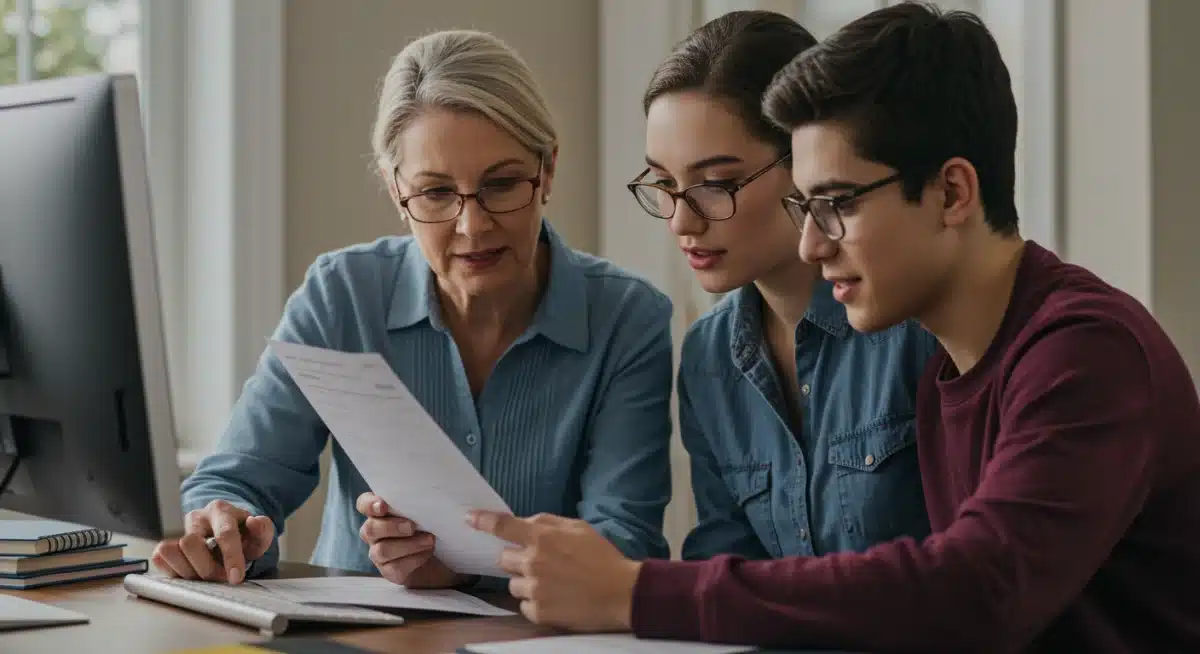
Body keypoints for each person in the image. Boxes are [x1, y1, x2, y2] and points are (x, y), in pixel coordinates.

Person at [467, 3, 1200, 651]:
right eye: (806, 207)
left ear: (951, 191)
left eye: (837, 203)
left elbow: (978, 591)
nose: (813, 245)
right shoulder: (956, 363)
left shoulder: (1087, 352)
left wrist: (636, 591)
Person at [152, 29, 675, 590]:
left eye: (500, 185)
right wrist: (226, 526)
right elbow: (240, 478)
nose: (472, 226)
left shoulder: (627, 318)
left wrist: (464, 569)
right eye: (435, 194)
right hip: (356, 636)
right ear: (395, 187)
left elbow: (624, 545)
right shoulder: (342, 296)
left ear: (547, 170)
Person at [631, 10, 933, 563]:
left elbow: (978, 580)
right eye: (663, 183)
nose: (681, 221)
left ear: (806, 159)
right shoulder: (709, 356)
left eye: (716, 185)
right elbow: (723, 570)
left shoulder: (915, 326)